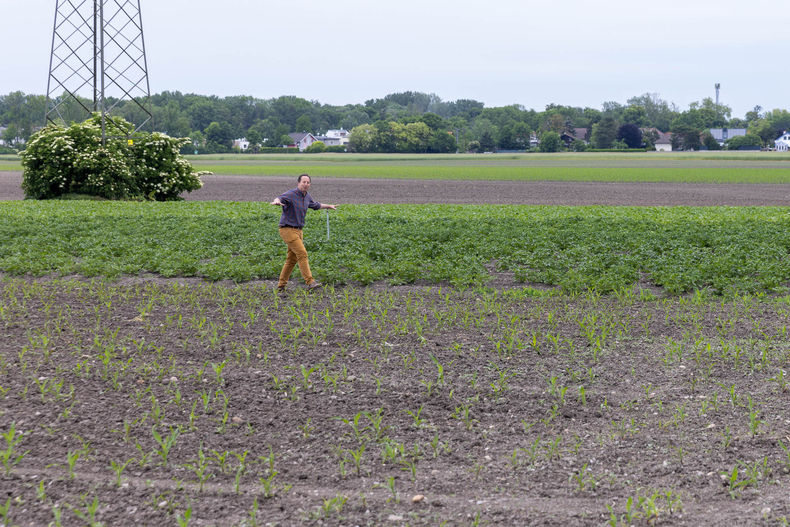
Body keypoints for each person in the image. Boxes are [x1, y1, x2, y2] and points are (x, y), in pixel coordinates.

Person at [270, 174, 337, 291]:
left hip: (299, 231)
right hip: (287, 229)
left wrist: (328, 206)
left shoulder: (307, 197)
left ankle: (281, 286)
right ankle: (310, 282)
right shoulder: (291, 194)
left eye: (308, 182)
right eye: (303, 182)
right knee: (302, 253)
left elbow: (315, 205)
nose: (306, 184)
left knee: (291, 259)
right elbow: (279, 198)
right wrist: (276, 202)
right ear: (298, 183)